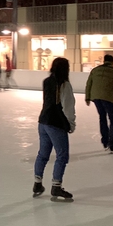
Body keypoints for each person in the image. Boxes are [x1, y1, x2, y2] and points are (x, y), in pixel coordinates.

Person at [34, 57, 76, 202]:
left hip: (43, 121)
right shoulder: (64, 84)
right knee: (62, 155)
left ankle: (37, 184)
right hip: (56, 124)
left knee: (43, 154)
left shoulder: (47, 81)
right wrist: (71, 124)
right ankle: (56, 186)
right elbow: (68, 106)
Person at [85, 54, 113, 153]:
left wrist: (87, 97)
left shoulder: (95, 70)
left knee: (102, 118)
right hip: (108, 98)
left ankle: (105, 141)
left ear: (104, 61)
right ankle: (112, 144)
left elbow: (88, 84)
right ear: (112, 62)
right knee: (112, 120)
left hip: (96, 97)